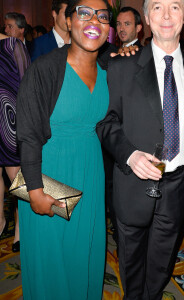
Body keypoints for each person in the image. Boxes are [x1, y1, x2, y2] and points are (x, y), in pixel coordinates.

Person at [97, 0, 184, 298]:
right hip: (134, 182)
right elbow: (106, 122)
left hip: (179, 185)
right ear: (146, 16)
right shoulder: (121, 66)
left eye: (174, 6)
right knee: (131, 263)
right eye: (157, 7)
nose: (166, 15)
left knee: (161, 263)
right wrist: (129, 154)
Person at [16, 0, 111, 298]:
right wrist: (34, 190)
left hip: (90, 172)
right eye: (84, 12)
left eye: (103, 16)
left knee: (83, 253)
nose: (94, 20)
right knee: (51, 261)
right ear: (68, 21)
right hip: (48, 175)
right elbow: (28, 133)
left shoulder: (110, 68)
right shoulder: (44, 69)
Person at [0, 33, 30, 251]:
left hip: (9, 119)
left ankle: (23, 226)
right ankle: (0, 222)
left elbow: (28, 86)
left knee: (16, 177)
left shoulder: (12, 45)